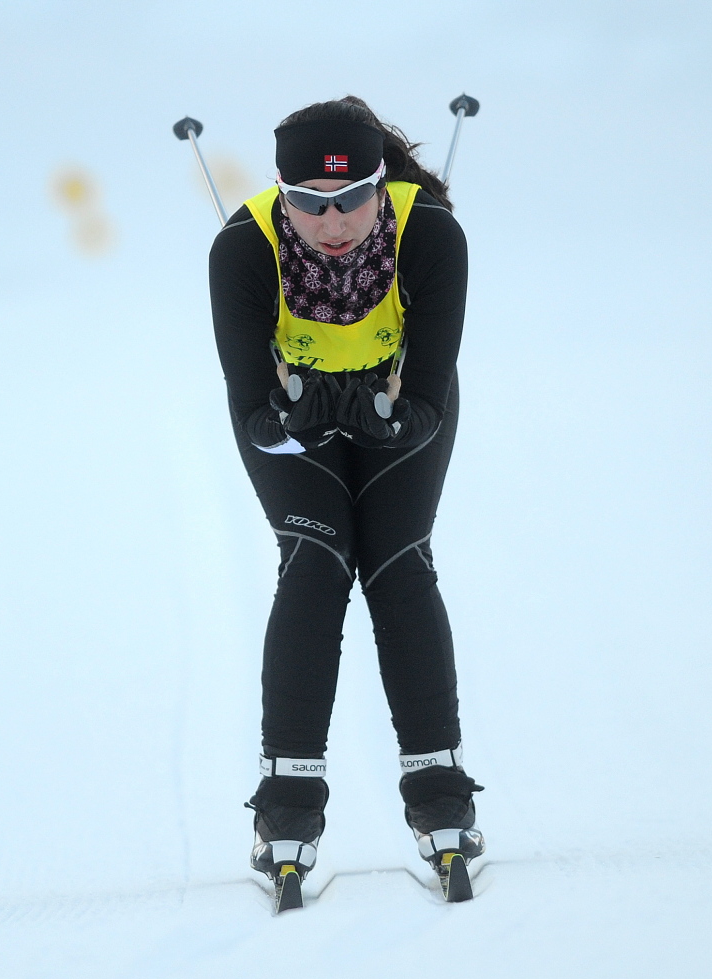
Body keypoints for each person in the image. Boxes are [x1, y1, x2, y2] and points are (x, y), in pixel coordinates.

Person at [208, 96, 484, 886]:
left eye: (351, 198)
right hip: (299, 417)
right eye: (307, 203)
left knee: (397, 558)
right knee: (317, 559)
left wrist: (388, 422)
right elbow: (253, 416)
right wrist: (296, 417)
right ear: (281, 193)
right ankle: (287, 807)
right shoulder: (243, 248)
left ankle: (442, 797)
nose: (331, 222)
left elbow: (427, 402)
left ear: (379, 183)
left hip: (400, 410)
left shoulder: (429, 233)